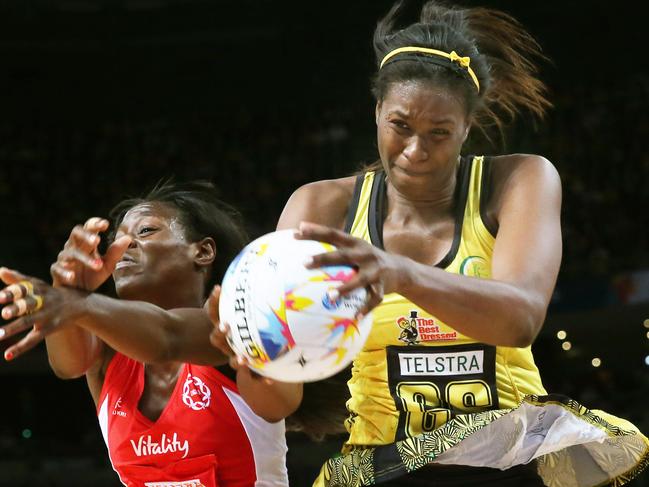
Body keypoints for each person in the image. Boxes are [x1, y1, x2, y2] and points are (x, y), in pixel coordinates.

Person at [269, 1, 649, 486]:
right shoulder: (320, 206)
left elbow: (520, 318)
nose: (415, 150)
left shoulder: (520, 179)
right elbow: (273, 339)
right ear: (378, 111)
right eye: (400, 126)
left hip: (506, 460)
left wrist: (402, 274)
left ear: (467, 128)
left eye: (439, 133)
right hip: (381, 462)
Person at [0, 181, 294, 486]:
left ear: (203, 251)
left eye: (145, 231)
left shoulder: (234, 321)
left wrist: (77, 302)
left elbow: (168, 338)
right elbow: (67, 366)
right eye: (116, 240)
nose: (125, 246)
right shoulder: (108, 352)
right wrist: (68, 286)